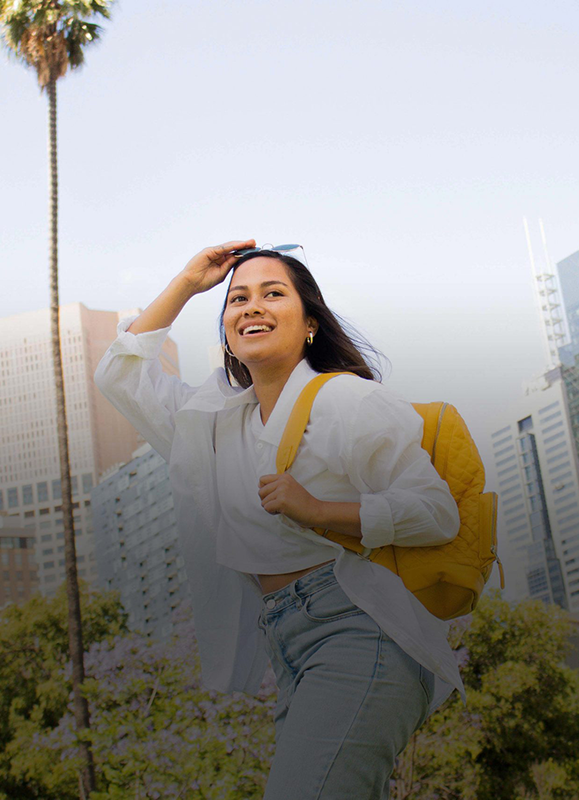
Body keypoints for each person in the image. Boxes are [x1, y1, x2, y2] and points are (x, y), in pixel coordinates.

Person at [93, 239, 468, 799]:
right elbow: (119, 376)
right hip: (290, 642)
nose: (252, 307)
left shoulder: (345, 400)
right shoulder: (216, 423)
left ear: (310, 323)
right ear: (225, 331)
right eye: (238, 300)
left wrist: (319, 511)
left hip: (362, 629)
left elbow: (436, 512)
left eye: (273, 294)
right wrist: (190, 282)